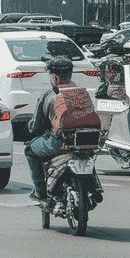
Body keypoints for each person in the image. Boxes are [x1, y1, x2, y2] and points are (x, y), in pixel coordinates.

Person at [24, 55, 96, 202]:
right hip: (87, 142)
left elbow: (36, 126)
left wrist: (30, 130)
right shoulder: (82, 92)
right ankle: (94, 187)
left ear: (55, 77)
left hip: (59, 144)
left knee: (29, 150)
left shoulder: (49, 95)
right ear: (70, 75)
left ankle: (40, 193)